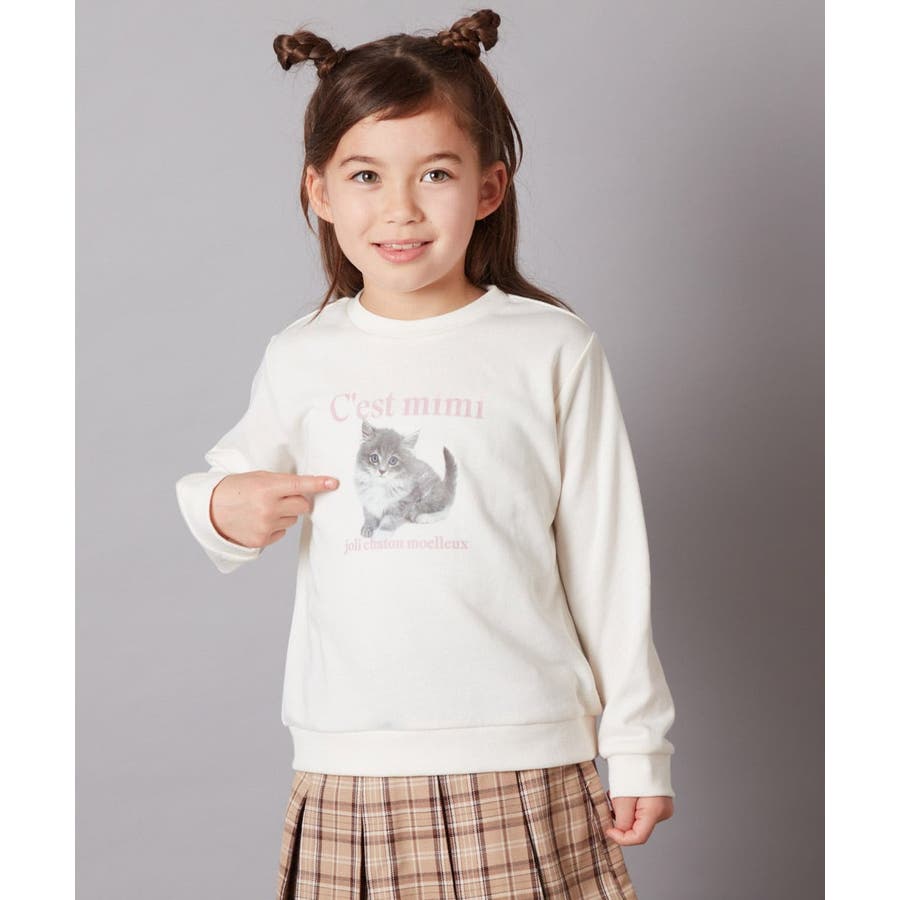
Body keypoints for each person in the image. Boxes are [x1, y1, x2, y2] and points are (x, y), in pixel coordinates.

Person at [175, 9, 676, 899]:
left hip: (524, 755)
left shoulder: (551, 348)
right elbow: (225, 490)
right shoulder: (302, 355)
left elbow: (608, 559)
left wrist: (637, 745)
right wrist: (223, 506)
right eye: (366, 175)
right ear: (319, 191)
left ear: (489, 187)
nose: (400, 208)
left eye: (435, 174)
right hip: (350, 760)